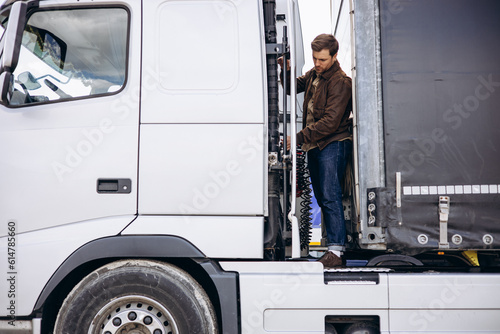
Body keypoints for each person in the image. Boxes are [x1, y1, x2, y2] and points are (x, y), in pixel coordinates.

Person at [279, 34, 352, 268]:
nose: (317, 63)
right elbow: (293, 88)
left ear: (334, 56)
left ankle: (337, 252)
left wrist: (298, 138)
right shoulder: (314, 74)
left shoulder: (341, 81)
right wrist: (286, 70)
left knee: (330, 196)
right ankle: (333, 248)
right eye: (314, 59)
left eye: (322, 59)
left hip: (333, 143)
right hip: (316, 144)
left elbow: (331, 122)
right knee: (322, 196)